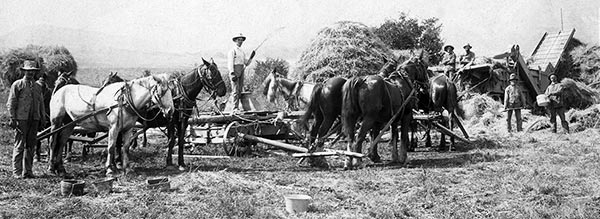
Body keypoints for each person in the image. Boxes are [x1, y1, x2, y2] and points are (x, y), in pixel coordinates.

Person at [7, 60, 46, 178]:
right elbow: (11, 103)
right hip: (21, 119)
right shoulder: (17, 85)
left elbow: (41, 104)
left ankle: (28, 171)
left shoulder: (38, 87)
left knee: (30, 146)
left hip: (34, 119)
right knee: (19, 145)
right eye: (28, 71)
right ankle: (17, 172)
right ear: (24, 71)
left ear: (35, 73)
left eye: (32, 72)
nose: (30, 74)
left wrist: (42, 118)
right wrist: (12, 118)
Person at [227, 33, 256, 112]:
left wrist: (251, 57)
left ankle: (238, 106)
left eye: (241, 40)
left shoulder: (242, 52)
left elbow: (246, 63)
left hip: (241, 70)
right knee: (235, 90)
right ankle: (234, 108)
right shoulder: (232, 51)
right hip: (235, 70)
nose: (240, 42)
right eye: (239, 40)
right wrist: (232, 73)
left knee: (240, 90)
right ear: (235, 41)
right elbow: (230, 63)